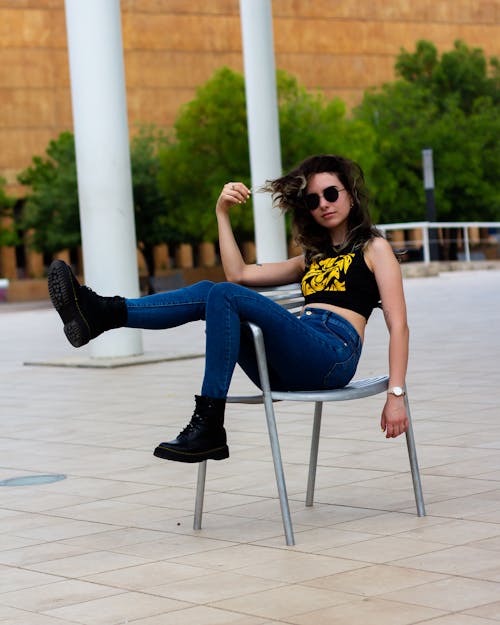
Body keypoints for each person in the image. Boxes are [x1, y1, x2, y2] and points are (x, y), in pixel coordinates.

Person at [47, 154, 409, 464]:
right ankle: (103, 314)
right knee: (213, 290)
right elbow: (238, 273)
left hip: (332, 354)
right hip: (291, 361)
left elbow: (399, 326)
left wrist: (396, 396)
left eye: (331, 194)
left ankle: (208, 422)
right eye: (313, 200)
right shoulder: (310, 259)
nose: (324, 204)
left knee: (223, 294)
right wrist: (221, 213)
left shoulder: (373, 248)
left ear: (350, 194)